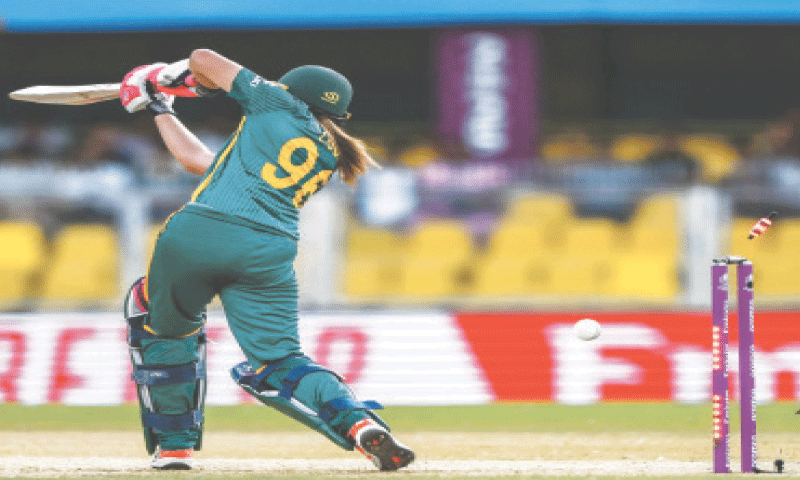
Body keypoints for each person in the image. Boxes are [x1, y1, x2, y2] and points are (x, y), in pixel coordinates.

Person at [119, 50, 415, 471]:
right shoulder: (330, 152)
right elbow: (202, 164)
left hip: (202, 231)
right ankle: (358, 424)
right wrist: (161, 107)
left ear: (292, 91)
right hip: (268, 251)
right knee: (281, 361)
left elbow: (203, 56)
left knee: (161, 328)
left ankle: (174, 448)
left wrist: (166, 75)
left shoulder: (276, 102)